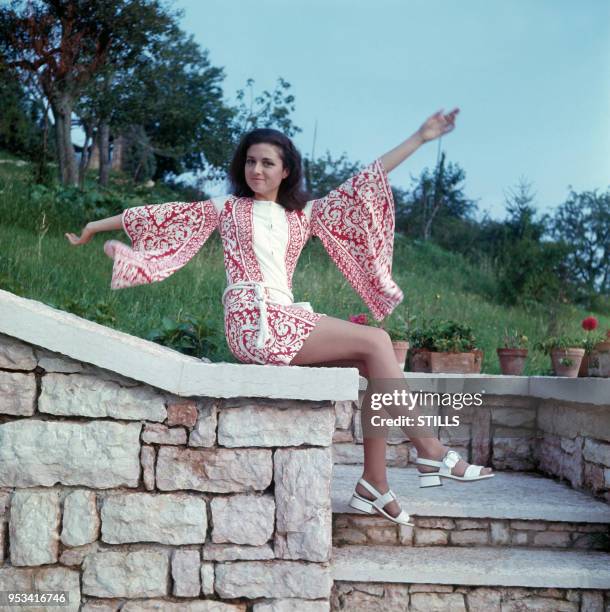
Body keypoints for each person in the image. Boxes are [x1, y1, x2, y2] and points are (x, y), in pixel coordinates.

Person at [66, 108, 493, 526]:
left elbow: (365, 183)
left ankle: (373, 482)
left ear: (286, 170)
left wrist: (420, 137)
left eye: (267, 163)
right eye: (251, 162)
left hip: (285, 318)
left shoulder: (302, 216)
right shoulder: (226, 209)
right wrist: (92, 226)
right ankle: (431, 451)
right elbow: (157, 215)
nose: (257, 170)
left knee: (372, 358)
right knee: (378, 340)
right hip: (253, 320)